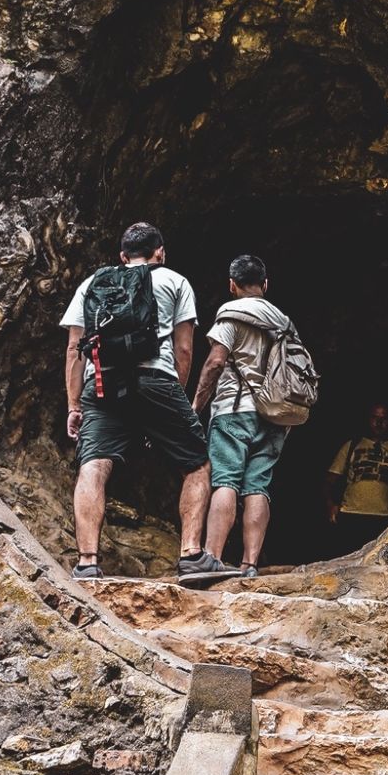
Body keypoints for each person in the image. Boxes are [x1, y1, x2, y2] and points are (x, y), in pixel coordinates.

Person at [61, 221, 240, 585]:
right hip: (156, 379)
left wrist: (73, 405)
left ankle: (87, 562)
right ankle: (191, 555)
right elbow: (184, 348)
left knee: (93, 466)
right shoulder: (175, 281)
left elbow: (73, 349)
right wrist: (181, 399)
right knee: (197, 464)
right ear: (161, 252)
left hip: (102, 384)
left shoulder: (93, 284)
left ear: (122, 256)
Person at [192, 254, 293, 578]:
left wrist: (196, 406)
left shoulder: (230, 316)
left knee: (225, 480)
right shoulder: (283, 322)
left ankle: (212, 557)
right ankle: (250, 564)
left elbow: (216, 362)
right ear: (266, 284)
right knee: (258, 486)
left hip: (234, 411)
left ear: (231, 285)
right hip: (275, 414)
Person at [325, 403, 388, 552]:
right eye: (375, 417)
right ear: (368, 419)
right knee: (346, 566)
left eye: (384, 418)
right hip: (351, 515)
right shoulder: (352, 445)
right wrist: (331, 505)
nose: (379, 422)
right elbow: (329, 480)